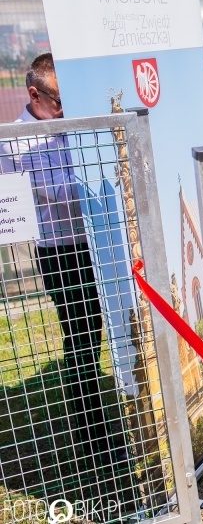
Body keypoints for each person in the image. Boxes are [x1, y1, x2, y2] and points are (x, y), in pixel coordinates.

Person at [0, 53, 126, 464]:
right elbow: (58, 192)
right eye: (58, 99)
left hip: (105, 240)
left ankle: (134, 409)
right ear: (34, 93)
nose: (65, 107)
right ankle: (94, 438)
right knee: (83, 339)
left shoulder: (77, 121)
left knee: (123, 327)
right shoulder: (14, 140)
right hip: (63, 252)